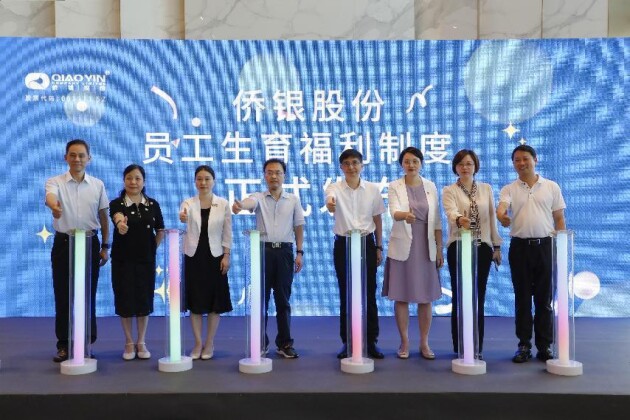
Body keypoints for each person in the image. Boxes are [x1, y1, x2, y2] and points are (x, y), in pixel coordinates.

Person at [497, 145, 566, 363]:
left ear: (535, 160)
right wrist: (502, 216)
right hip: (520, 249)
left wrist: (561, 246)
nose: (521, 163)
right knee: (523, 299)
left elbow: (559, 218)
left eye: (525, 158)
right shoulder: (509, 188)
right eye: (517, 160)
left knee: (545, 300)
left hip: (546, 247)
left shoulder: (551, 186)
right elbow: (501, 208)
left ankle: (545, 346)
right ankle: (524, 345)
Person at [232, 158, 304, 359]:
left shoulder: (293, 199)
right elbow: (249, 203)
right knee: (260, 300)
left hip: (285, 253)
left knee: (283, 300)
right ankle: (260, 344)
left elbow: (299, 226)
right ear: (264, 176)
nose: (274, 176)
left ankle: (284, 344)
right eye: (270, 172)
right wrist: (240, 205)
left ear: (284, 175)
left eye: (278, 172)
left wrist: (300, 252)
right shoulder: (259, 197)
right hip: (262, 252)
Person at [45, 139, 110, 362]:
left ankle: (85, 343)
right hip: (64, 244)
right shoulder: (55, 181)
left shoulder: (97, 185)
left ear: (89, 158)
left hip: (90, 243)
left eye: (81, 155)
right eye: (72, 155)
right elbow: (50, 197)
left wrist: (106, 245)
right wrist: (54, 207)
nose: (77, 159)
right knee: (63, 295)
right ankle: (64, 345)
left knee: (87, 295)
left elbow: (103, 216)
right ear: (66, 157)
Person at [382, 146, 443, 360]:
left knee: (426, 297)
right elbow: (393, 211)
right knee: (402, 296)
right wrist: (404, 216)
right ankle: (404, 341)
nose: (411, 165)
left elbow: (436, 220)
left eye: (415, 161)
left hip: (426, 244)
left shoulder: (431, 186)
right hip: (403, 244)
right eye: (407, 161)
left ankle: (424, 342)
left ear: (421, 163)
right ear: (401, 164)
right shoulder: (394, 186)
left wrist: (439, 248)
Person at [325, 149, 385, 360]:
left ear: (361, 165)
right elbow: (330, 200)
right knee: (346, 294)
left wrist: (379, 246)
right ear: (341, 167)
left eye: (355, 163)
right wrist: (330, 203)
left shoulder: (372, 189)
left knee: (369, 293)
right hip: (344, 244)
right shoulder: (334, 187)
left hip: (367, 243)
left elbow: (377, 219)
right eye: (347, 163)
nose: (351, 167)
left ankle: (371, 341)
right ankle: (348, 341)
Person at [442, 150, 502, 359]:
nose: (465, 167)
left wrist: (496, 246)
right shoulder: (449, 190)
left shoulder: (486, 189)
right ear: (455, 168)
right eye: (460, 164)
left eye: (468, 163)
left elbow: (492, 218)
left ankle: (476, 346)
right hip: (459, 245)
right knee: (461, 296)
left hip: (482, 247)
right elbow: (450, 212)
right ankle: (460, 345)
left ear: (475, 166)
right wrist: (460, 219)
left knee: (478, 296)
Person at [109, 164, 164, 360]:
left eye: (137, 178)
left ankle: (141, 342)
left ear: (144, 181)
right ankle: (128, 342)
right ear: (124, 180)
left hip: (146, 261)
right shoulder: (117, 203)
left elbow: (160, 230)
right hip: (122, 261)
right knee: (124, 300)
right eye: (129, 178)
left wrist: (152, 248)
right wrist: (120, 225)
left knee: (143, 300)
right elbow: (116, 217)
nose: (133, 182)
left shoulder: (153, 204)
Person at [180, 165, 233, 360]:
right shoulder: (188, 202)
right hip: (193, 257)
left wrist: (226, 255)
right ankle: (197, 343)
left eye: (207, 179)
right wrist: (183, 217)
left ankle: (209, 342)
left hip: (215, 256)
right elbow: (183, 215)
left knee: (214, 303)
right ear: (195, 181)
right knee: (195, 302)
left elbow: (227, 232)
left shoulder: (223, 203)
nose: (203, 182)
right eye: (199, 179)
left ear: (214, 181)